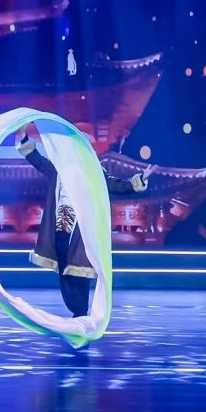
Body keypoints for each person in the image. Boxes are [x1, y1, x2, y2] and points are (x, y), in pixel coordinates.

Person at [17, 131, 150, 315]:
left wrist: (139, 180)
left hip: (81, 228)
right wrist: (24, 138)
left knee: (80, 268)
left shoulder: (94, 171)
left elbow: (115, 185)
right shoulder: (59, 167)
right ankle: (76, 310)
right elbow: (38, 161)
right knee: (64, 268)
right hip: (61, 225)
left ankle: (80, 312)